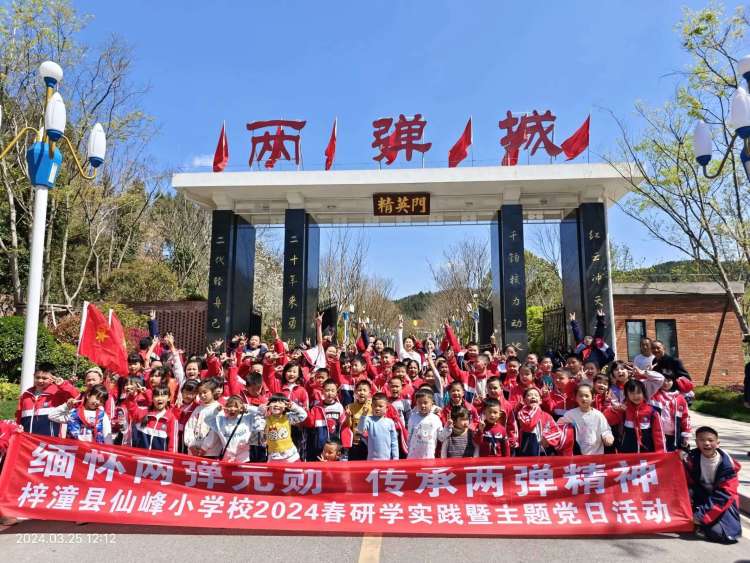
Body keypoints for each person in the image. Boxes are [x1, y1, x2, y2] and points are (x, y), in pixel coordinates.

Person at [683, 427, 742, 544]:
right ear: (696, 443)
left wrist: (701, 515)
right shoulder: (690, 459)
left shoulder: (727, 465)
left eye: (710, 440)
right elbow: (684, 482)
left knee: (725, 534)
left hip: (721, 500)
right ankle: (695, 520)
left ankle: (700, 523)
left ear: (718, 443)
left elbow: (725, 494)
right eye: (702, 440)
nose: (706, 443)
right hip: (700, 495)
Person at [16, 362, 79, 436]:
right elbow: (19, 416)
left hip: (50, 440)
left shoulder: (58, 393)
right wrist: (17, 427)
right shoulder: (26, 395)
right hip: (28, 440)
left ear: (52, 379)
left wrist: (63, 385)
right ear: (34, 376)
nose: (40, 381)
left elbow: (76, 398)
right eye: (37, 377)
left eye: (44, 378)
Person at [604, 379, 665, 453]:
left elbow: (658, 434)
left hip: (647, 453)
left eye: (638, 392)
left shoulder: (652, 412)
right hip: (627, 453)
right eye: (632, 393)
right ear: (627, 395)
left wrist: (661, 453)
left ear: (644, 393)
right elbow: (607, 420)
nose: (635, 396)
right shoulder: (623, 410)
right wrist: (614, 409)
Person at [202, 395, 264, 463]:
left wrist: (247, 407)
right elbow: (207, 419)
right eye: (230, 406)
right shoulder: (220, 421)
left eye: (236, 406)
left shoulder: (247, 418)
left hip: (245, 458)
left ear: (241, 408)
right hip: (228, 459)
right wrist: (216, 410)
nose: (232, 409)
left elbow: (261, 412)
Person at [557, 384, 614, 455]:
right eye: (580, 396)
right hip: (577, 454)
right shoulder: (570, 414)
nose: (584, 398)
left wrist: (608, 437)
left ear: (593, 398)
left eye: (587, 396)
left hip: (596, 453)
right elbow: (559, 427)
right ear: (576, 398)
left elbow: (605, 430)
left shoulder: (598, 415)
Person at [48, 385, 113, 444]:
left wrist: (109, 451)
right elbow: (52, 416)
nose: (98, 402)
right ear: (88, 395)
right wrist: (66, 406)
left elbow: (107, 436)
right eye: (97, 398)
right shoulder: (73, 413)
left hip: (94, 451)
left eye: (101, 401)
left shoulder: (102, 416)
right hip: (74, 450)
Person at [124, 384, 179, 452]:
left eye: (163, 395)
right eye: (156, 396)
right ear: (152, 398)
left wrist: (170, 458)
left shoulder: (171, 418)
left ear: (169, 398)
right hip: (141, 456)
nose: (159, 398)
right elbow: (132, 409)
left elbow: (173, 445)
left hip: (159, 458)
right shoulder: (144, 413)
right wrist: (131, 396)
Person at [263, 393, 308, 462]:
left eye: (280, 402)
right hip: (273, 456)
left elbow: (303, 415)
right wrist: (260, 411)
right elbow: (257, 425)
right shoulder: (265, 419)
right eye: (274, 402)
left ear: (285, 407)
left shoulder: (288, 417)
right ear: (269, 405)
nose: (277, 405)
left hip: (291, 456)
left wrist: (293, 407)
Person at [183, 379, 223, 457]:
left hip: (210, 453)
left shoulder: (218, 409)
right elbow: (189, 427)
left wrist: (204, 448)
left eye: (205, 392)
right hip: (193, 451)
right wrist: (191, 445)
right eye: (200, 393)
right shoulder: (198, 409)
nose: (202, 395)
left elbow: (214, 431)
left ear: (213, 391)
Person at [356, 392, 399, 460]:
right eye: (375, 406)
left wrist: (395, 457)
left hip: (387, 460)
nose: (377, 408)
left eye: (380, 406)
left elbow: (394, 441)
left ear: (386, 408)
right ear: (371, 406)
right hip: (372, 460)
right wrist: (363, 415)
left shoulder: (390, 422)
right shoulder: (369, 420)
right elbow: (360, 430)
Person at [407, 388, 443, 459]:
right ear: (416, 403)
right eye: (419, 403)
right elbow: (409, 436)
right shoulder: (413, 417)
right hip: (413, 456)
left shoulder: (435, 419)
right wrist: (409, 449)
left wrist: (448, 427)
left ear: (432, 403)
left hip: (428, 457)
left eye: (425, 403)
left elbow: (441, 437)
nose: (422, 405)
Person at [342, 379, 372, 460]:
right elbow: (349, 426)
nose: (362, 392)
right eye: (359, 390)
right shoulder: (350, 406)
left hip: (370, 443)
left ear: (369, 393)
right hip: (355, 442)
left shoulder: (373, 406)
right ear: (355, 392)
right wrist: (348, 416)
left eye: (364, 390)